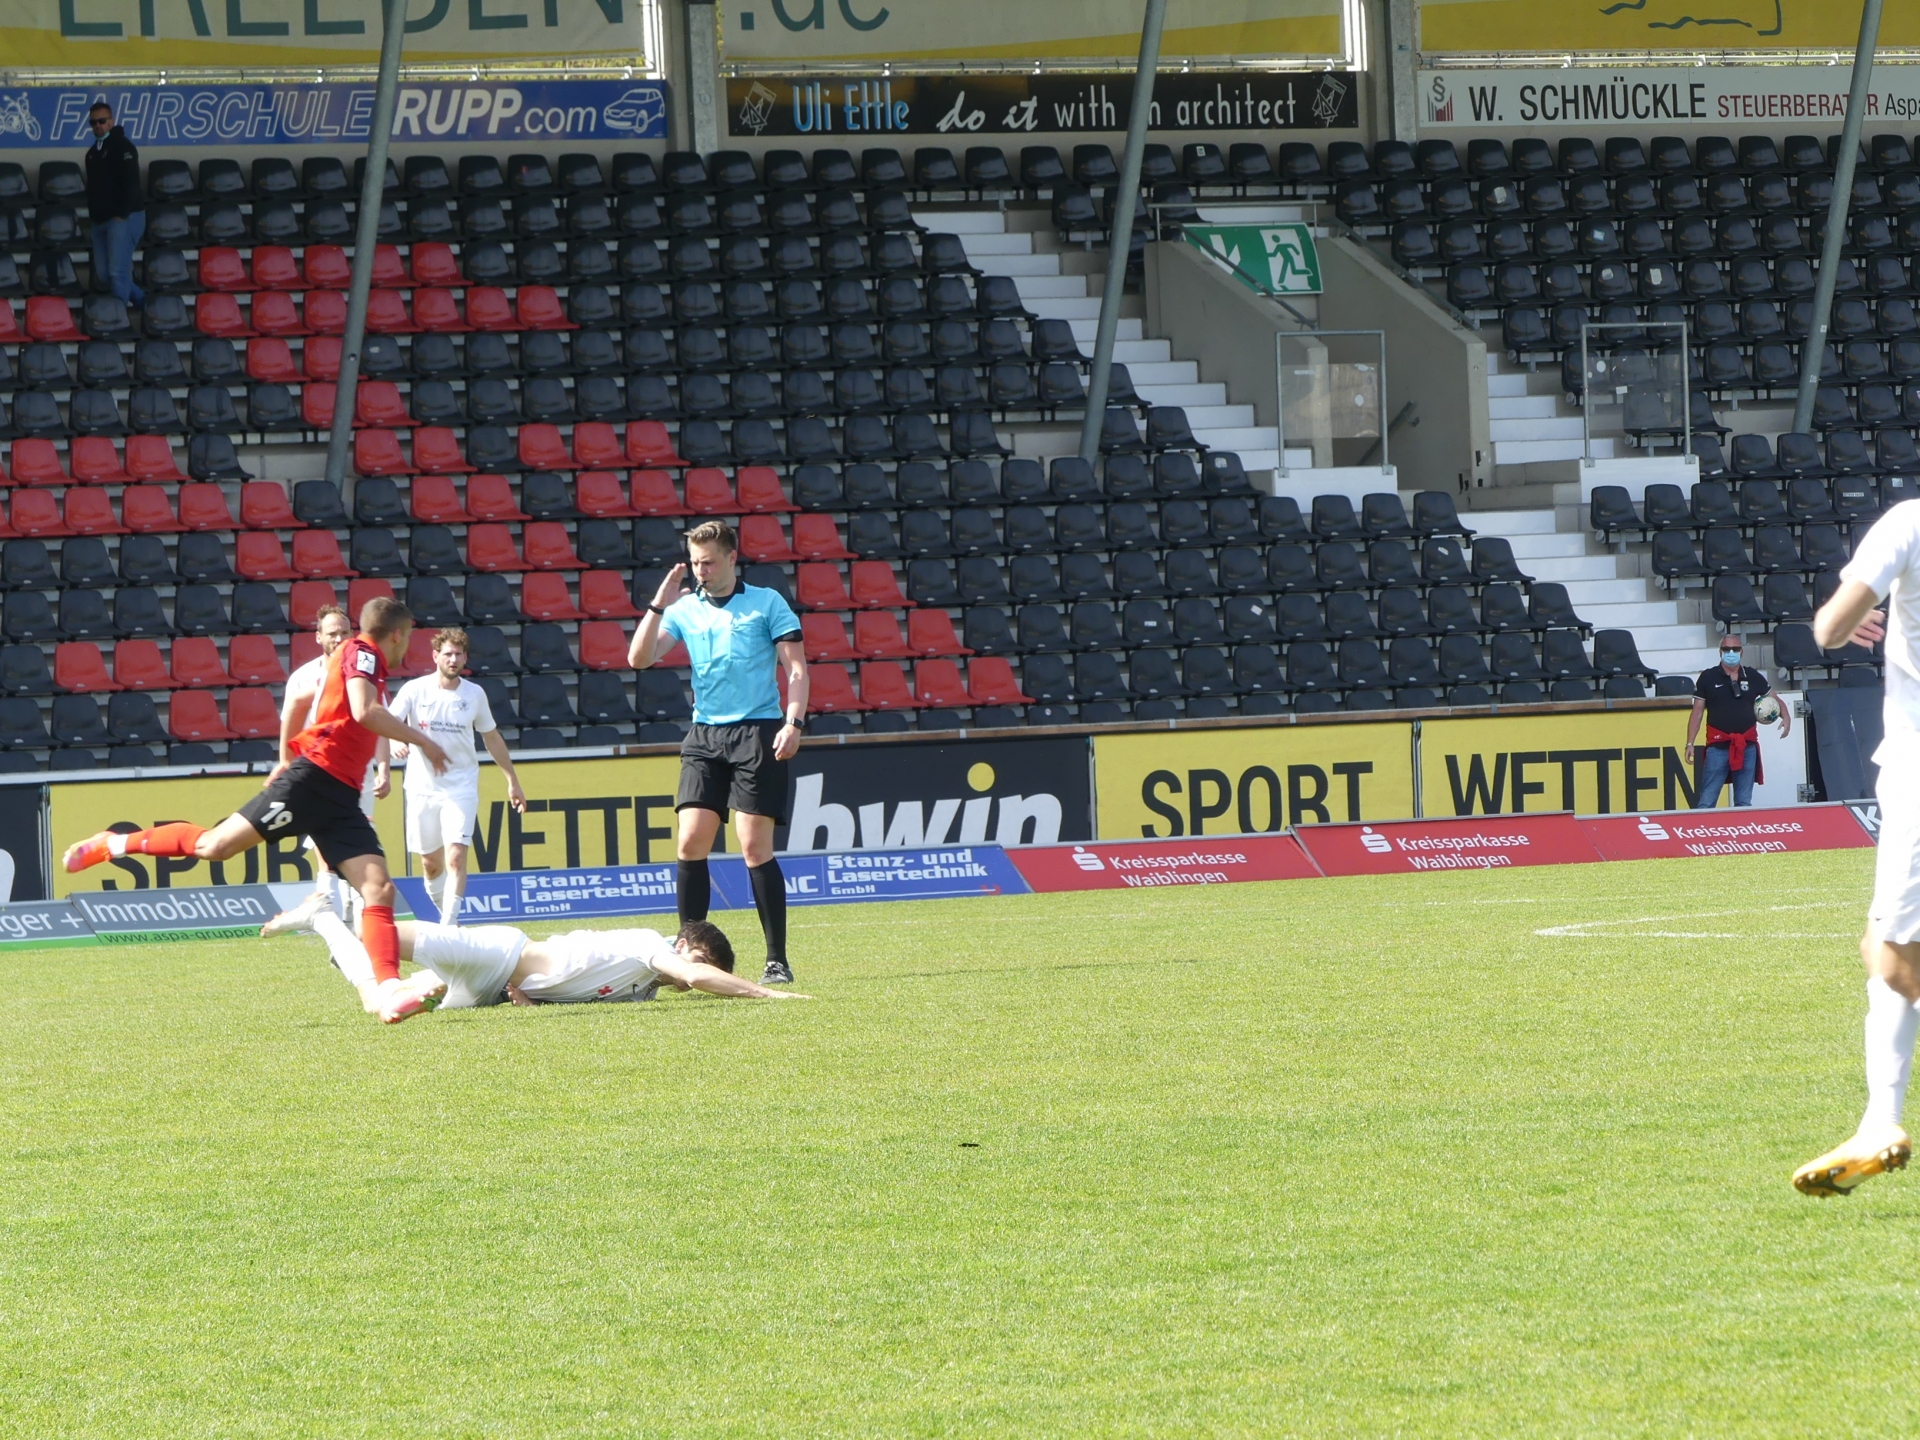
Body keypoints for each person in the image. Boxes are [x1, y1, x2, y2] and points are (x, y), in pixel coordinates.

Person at [63, 598, 452, 1023]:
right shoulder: (363, 653)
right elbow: (363, 711)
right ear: (397, 634)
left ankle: (390, 988)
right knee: (215, 846)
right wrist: (423, 741)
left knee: (378, 888)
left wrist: (288, 753)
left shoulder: (357, 657)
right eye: (408, 637)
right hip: (313, 781)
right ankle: (114, 843)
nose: (407, 646)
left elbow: (305, 699)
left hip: (340, 795)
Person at [1794, 501, 1920, 1195]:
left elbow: (1830, 628)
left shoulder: (1908, 522)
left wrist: (1855, 613)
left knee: (1898, 960)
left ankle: (1881, 1121)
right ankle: (1879, 1119)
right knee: (1877, 943)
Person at [628, 519, 809, 985]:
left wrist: (793, 723)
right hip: (704, 735)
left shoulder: (767, 602)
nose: (700, 571)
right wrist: (658, 604)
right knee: (690, 842)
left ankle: (776, 960)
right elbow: (638, 659)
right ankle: (688, 956)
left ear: (731, 558)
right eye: (694, 563)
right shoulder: (684, 608)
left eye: (708, 562)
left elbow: (796, 670)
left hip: (758, 731)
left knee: (753, 847)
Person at [262, 894, 807, 1015]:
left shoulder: (642, 991)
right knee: (376, 934)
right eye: (701, 962)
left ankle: (321, 921)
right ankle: (330, 916)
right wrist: (766, 995)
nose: (693, 976)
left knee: (379, 1004)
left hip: (491, 991)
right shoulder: (651, 945)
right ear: (685, 946)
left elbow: (578, 985)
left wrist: (532, 1003)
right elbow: (695, 977)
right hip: (496, 952)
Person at [388, 627, 527, 925]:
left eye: (459, 654)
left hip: (460, 787)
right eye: (448, 654)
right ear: (435, 656)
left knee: (455, 857)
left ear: (465, 658)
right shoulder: (415, 690)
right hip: (422, 788)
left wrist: (512, 781)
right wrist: (393, 741)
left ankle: (449, 927)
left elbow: (491, 737)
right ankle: (448, 919)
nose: (453, 660)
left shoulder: (474, 694)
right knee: (430, 865)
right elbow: (387, 721)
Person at [281, 604, 388, 916]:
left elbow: (378, 721)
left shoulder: (365, 673)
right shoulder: (302, 678)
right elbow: (290, 724)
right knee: (324, 845)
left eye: (344, 632)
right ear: (318, 637)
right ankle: (331, 911)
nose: (339, 638)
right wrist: (287, 765)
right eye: (332, 633)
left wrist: (383, 768)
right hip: (318, 772)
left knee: (355, 844)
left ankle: (352, 912)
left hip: (357, 773)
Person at [1684, 633, 1789, 808]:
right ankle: (1703, 826)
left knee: (1743, 801)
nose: (1731, 652)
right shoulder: (1708, 677)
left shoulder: (1752, 675)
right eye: (1727, 649)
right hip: (1717, 747)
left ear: (1742, 652)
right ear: (1720, 652)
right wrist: (1690, 743)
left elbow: (1775, 699)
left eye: (1735, 649)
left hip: (1746, 746)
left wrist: (1786, 716)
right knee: (1707, 801)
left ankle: (1741, 827)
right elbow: (1697, 712)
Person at [83, 101, 144, 309]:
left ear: (111, 121)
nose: (98, 126)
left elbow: (132, 184)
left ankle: (120, 319)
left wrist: (121, 213)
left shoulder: (124, 147)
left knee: (118, 272)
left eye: (102, 121)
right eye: (93, 122)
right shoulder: (92, 153)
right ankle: (145, 303)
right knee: (104, 275)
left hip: (123, 217)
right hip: (100, 220)